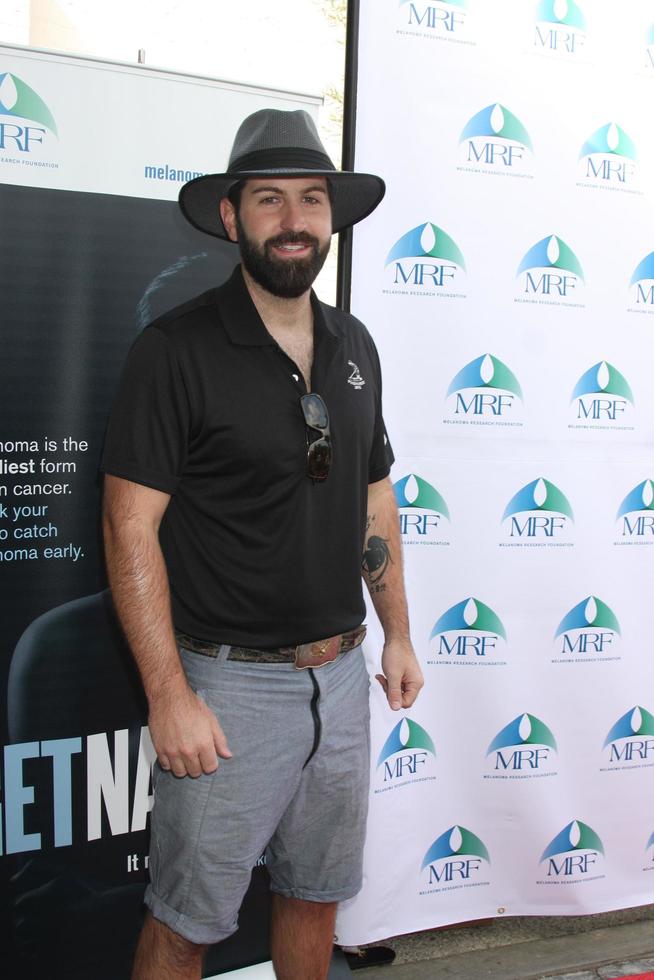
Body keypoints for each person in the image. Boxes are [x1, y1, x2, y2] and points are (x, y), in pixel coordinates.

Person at [101, 108, 423, 980]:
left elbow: (373, 498)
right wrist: (169, 694)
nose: (294, 220)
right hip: (227, 689)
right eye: (270, 199)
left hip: (342, 675)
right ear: (232, 218)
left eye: (311, 200)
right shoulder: (176, 350)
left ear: (332, 220)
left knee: (316, 894)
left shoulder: (354, 345)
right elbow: (129, 527)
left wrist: (395, 631)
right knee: (185, 921)